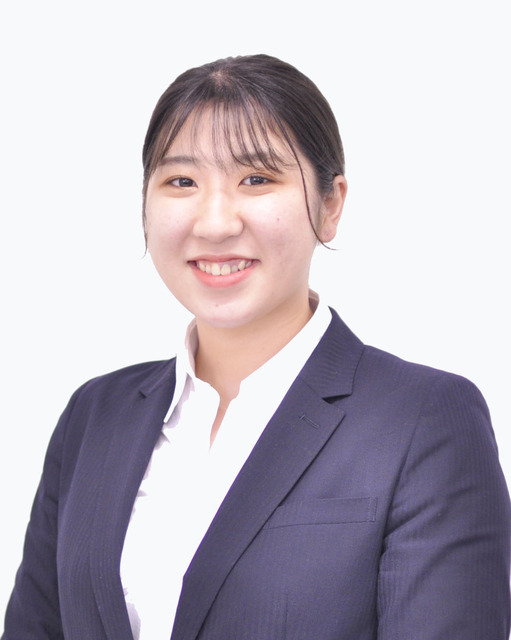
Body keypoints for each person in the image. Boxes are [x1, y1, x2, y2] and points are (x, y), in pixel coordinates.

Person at [2, 54, 510, 640]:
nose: (215, 223)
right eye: (181, 182)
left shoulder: (423, 420)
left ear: (330, 203)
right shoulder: (95, 415)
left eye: (257, 179)